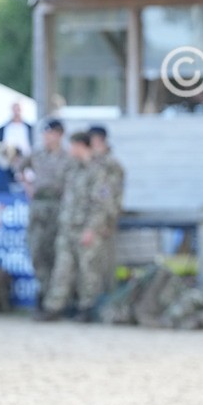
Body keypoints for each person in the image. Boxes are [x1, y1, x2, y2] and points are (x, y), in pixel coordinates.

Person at [37, 132, 117, 322]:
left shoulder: (98, 171)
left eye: (73, 146)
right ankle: (54, 307)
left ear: (82, 146)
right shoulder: (72, 170)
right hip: (67, 227)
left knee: (88, 270)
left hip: (85, 228)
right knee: (62, 269)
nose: (70, 150)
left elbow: (101, 204)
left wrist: (91, 229)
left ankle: (87, 308)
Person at [22, 119, 71, 306]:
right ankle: (42, 291)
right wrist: (27, 185)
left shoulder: (67, 157)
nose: (46, 137)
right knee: (37, 249)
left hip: (58, 207)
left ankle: (55, 297)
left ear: (59, 134)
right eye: (44, 134)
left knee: (56, 252)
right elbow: (18, 167)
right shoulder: (36, 154)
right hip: (38, 206)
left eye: (49, 133)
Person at [88, 125, 125, 293]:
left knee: (105, 264)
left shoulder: (111, 165)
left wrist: (108, 222)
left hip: (105, 222)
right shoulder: (89, 162)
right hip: (88, 220)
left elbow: (112, 196)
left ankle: (105, 300)